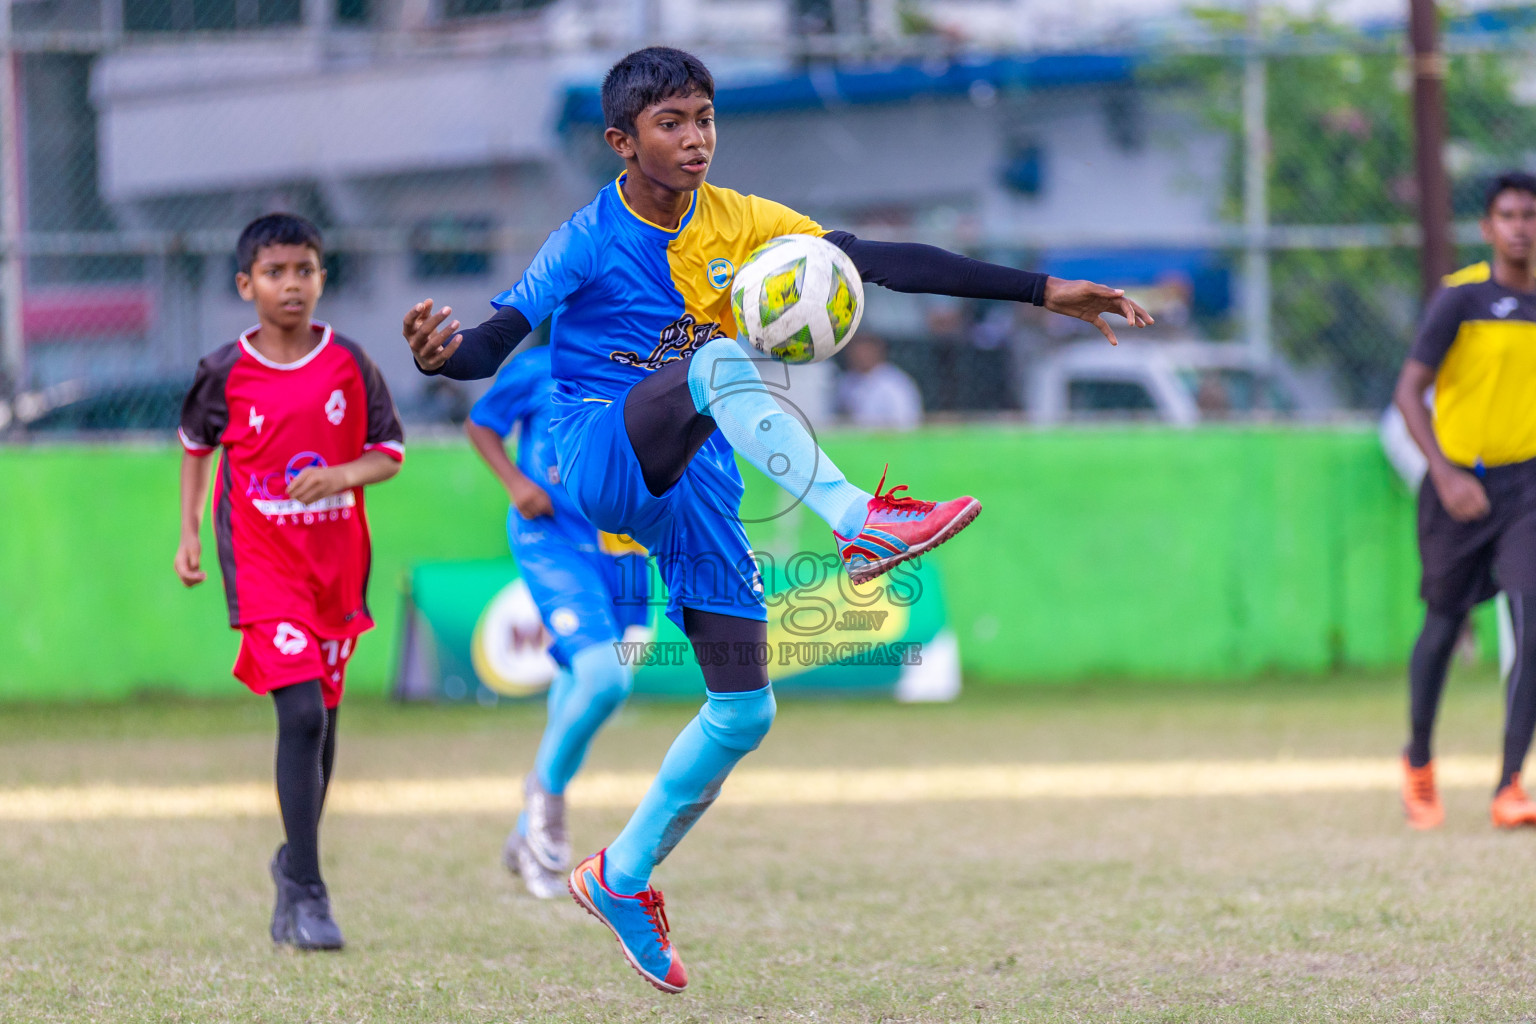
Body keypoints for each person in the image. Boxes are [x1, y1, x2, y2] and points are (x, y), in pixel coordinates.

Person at [401, 47, 1150, 992]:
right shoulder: (587, 238)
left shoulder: (747, 222)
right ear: (620, 142)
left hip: (696, 482)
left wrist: (1044, 292)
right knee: (720, 366)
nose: (696, 138)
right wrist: (442, 354)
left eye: (705, 117)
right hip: (599, 454)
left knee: (743, 711)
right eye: (671, 123)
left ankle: (620, 876)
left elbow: (879, 262)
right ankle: (859, 523)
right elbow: (491, 344)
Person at [175, 213, 405, 949]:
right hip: (265, 567)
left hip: (336, 568)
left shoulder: (350, 363)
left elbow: (390, 452)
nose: (291, 284)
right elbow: (196, 448)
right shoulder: (224, 372)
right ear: (247, 286)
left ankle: (291, 864)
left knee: (326, 723)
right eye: (275, 273)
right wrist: (188, 536)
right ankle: (309, 891)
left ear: (321, 277)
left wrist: (341, 473)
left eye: (304, 269)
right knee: (301, 716)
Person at [464, 344, 651, 899]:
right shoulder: (535, 366)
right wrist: (516, 485)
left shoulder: (652, 361)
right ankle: (545, 802)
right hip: (553, 540)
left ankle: (527, 829)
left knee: (584, 682)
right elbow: (481, 425)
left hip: (626, 547)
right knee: (604, 678)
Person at [1393, 170, 1536, 831]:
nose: (1520, 226)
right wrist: (1446, 474)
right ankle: (1418, 761)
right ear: (1488, 227)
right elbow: (1408, 392)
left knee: (1531, 611)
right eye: (1508, 214)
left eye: (1530, 215)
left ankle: (1510, 783)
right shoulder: (1462, 299)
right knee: (1444, 624)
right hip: (1459, 486)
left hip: (1527, 486)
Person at [835, 333, 923, 430]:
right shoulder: (846, 381)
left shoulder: (895, 383)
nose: (861, 355)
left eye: (866, 350)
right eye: (856, 349)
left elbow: (907, 425)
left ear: (878, 351)